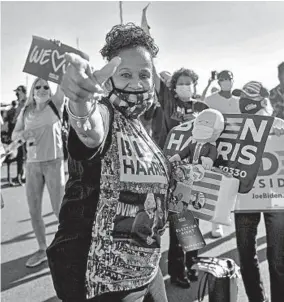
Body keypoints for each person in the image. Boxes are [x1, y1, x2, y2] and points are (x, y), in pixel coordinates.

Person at [47, 23, 171, 302]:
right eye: (125, 74)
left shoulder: (140, 126)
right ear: (106, 81)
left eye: (144, 75)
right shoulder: (105, 113)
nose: (137, 84)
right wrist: (80, 101)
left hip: (148, 271)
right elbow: (90, 130)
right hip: (102, 282)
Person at [233, 81, 284, 302]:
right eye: (241, 98)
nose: (244, 103)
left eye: (249, 98)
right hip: (244, 200)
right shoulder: (234, 128)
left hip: (277, 201)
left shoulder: (281, 126)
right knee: (245, 256)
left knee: (279, 259)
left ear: (263, 102)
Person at [12, 78, 65, 268]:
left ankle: (65, 248)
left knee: (59, 210)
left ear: (51, 91)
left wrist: (56, 57)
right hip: (32, 165)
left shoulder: (56, 105)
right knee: (34, 211)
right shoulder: (26, 112)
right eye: (38, 86)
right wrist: (20, 136)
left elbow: (63, 83)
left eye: (46, 87)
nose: (42, 89)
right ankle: (42, 249)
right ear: (32, 90)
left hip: (53, 163)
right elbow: (14, 134)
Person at [204, 70, 240, 238]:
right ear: (219, 82)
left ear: (233, 80)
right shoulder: (210, 100)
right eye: (223, 79)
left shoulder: (240, 101)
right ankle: (215, 223)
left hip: (238, 148)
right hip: (217, 147)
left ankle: (235, 218)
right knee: (218, 185)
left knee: (237, 184)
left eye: (229, 78)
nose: (226, 82)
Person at [11, 85, 28, 185]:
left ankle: (25, 176)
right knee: (20, 155)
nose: (16, 93)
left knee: (26, 155)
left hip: (25, 132)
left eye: (18, 91)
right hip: (19, 132)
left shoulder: (27, 101)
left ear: (23, 92)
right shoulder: (19, 103)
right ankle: (19, 175)